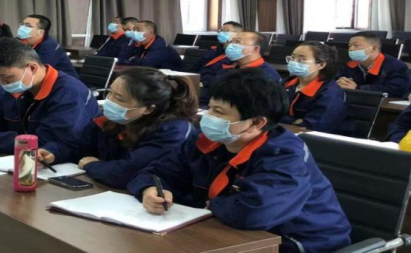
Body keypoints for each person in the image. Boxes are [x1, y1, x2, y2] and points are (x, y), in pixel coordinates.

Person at [127, 70, 351, 252]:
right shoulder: (205, 142)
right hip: (229, 233)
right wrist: (150, 189)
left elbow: (254, 213)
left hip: (299, 244)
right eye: (210, 108)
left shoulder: (284, 155)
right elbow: (154, 172)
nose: (208, 117)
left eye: (219, 112)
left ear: (256, 123)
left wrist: (211, 204)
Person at [38, 67, 197, 189]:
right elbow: (75, 144)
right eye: (110, 93)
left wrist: (91, 165)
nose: (109, 101)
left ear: (148, 109)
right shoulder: (112, 120)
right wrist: (52, 152)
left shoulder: (172, 132)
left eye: (119, 98)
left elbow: (126, 173)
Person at [0, 38, 99, 155]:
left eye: (6, 77)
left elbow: (43, 142)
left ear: (32, 68)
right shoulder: (21, 86)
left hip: (66, 165)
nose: (2, 82)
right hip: (17, 158)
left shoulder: (69, 93)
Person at [280, 41, 353, 135]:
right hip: (286, 133)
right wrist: (293, 121)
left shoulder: (330, 93)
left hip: (323, 139)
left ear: (321, 65)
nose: (293, 62)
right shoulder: (287, 83)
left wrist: (280, 119)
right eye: (292, 57)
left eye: (302, 59)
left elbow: (313, 126)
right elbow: (268, 111)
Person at [198, 30, 280, 108]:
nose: (231, 45)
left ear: (255, 49)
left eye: (238, 42)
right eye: (232, 41)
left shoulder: (266, 75)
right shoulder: (229, 68)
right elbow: (210, 92)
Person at [337, 31, 411, 98]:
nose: (351, 49)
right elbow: (337, 79)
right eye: (349, 45)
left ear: (374, 48)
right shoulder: (350, 64)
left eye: (356, 45)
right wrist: (340, 83)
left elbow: (395, 90)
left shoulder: (396, 66)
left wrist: (358, 88)